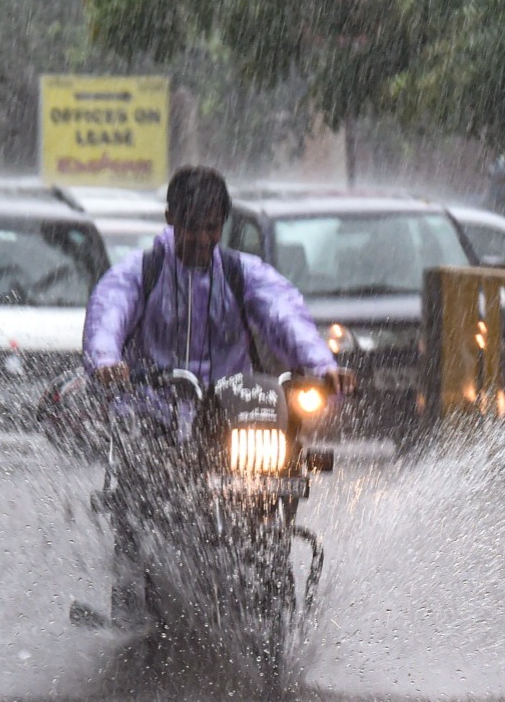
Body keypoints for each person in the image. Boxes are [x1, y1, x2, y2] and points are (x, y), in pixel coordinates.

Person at [82, 164, 355, 626]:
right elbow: (108, 314)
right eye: (192, 227)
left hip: (233, 417)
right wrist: (107, 361)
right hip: (155, 416)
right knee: (136, 500)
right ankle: (131, 606)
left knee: (283, 469)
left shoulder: (241, 273)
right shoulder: (139, 272)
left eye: (212, 228)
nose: (202, 239)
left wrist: (322, 366)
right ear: (171, 218)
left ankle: (268, 574)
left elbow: (285, 315)